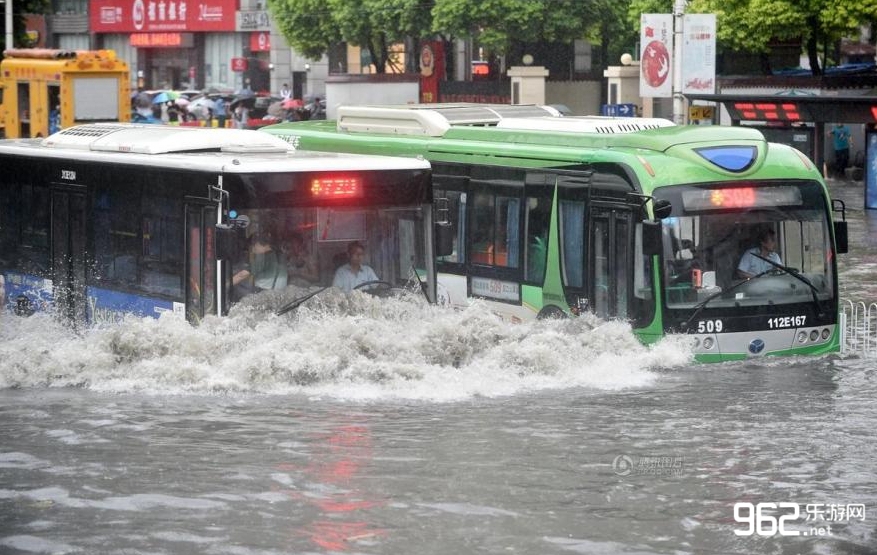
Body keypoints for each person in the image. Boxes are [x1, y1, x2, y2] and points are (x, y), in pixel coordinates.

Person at [233, 233, 287, 297]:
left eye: (252, 247)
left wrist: (225, 285)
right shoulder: (278, 254)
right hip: (280, 292)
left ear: (258, 244)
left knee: (237, 287)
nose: (252, 251)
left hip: (265, 293)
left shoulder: (263, 257)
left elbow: (242, 275)